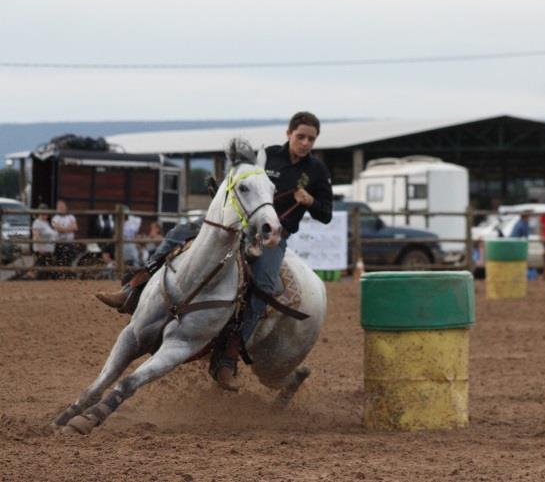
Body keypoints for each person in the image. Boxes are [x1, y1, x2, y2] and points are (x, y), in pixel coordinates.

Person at [96, 111, 333, 391]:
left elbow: (326, 214)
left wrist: (310, 200)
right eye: (301, 136)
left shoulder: (317, 172)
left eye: (311, 139)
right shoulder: (267, 157)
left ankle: (228, 355)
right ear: (289, 134)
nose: (305, 143)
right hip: (234, 221)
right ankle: (134, 287)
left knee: (265, 285)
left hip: (272, 236)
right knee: (177, 234)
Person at [51, 199, 78, 278]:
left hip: (69, 243)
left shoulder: (71, 217)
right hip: (59, 243)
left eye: (63, 206)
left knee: (69, 260)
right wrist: (68, 229)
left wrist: (63, 229)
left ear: (66, 207)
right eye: (59, 207)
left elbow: (75, 227)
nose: (61, 208)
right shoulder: (55, 218)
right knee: (58, 261)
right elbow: (57, 228)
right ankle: (58, 277)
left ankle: (68, 277)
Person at [31, 203, 57, 279]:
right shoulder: (37, 223)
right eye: (44, 213)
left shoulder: (46, 223)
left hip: (48, 251)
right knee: (41, 273)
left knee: (47, 273)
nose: (47, 215)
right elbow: (36, 237)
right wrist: (41, 248)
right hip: (42, 251)